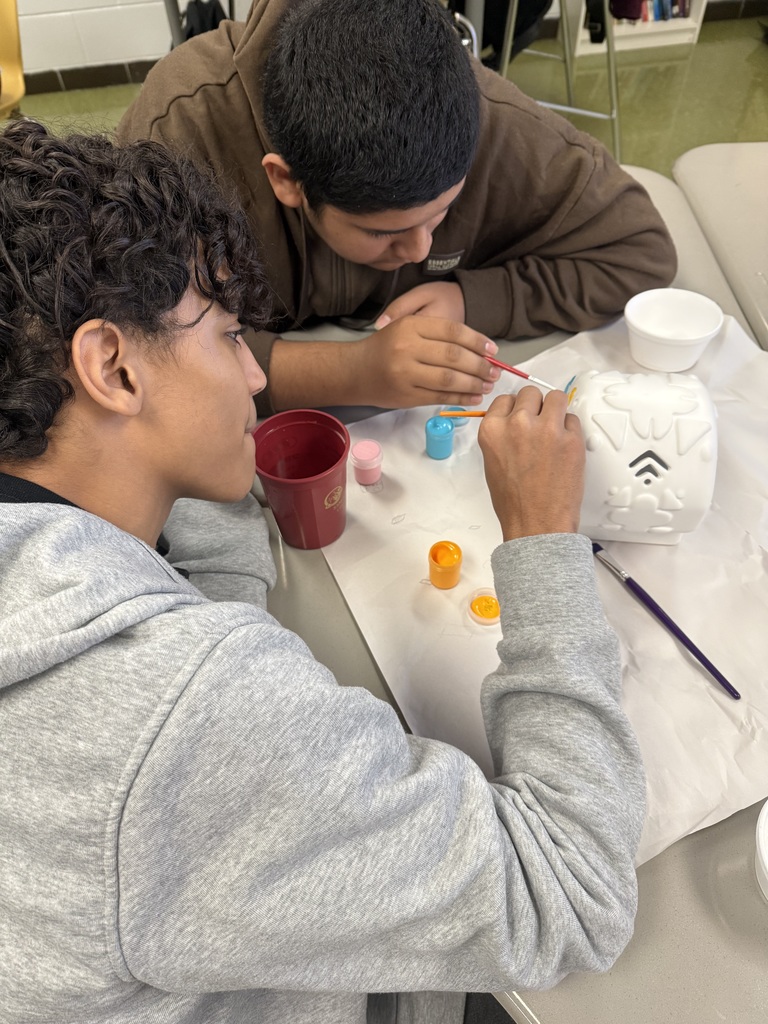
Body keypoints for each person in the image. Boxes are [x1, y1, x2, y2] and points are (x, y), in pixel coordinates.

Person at [0, 119, 645, 1024]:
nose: (256, 380)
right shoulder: (186, 721)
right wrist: (542, 542)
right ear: (110, 365)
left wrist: (191, 478)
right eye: (228, 337)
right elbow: (571, 894)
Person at [117, 0, 677, 419]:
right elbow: (134, 345)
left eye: (442, 214)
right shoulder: (180, 132)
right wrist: (354, 372)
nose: (421, 249)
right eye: (384, 232)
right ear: (285, 180)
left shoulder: (488, 117)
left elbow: (640, 251)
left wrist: (475, 298)